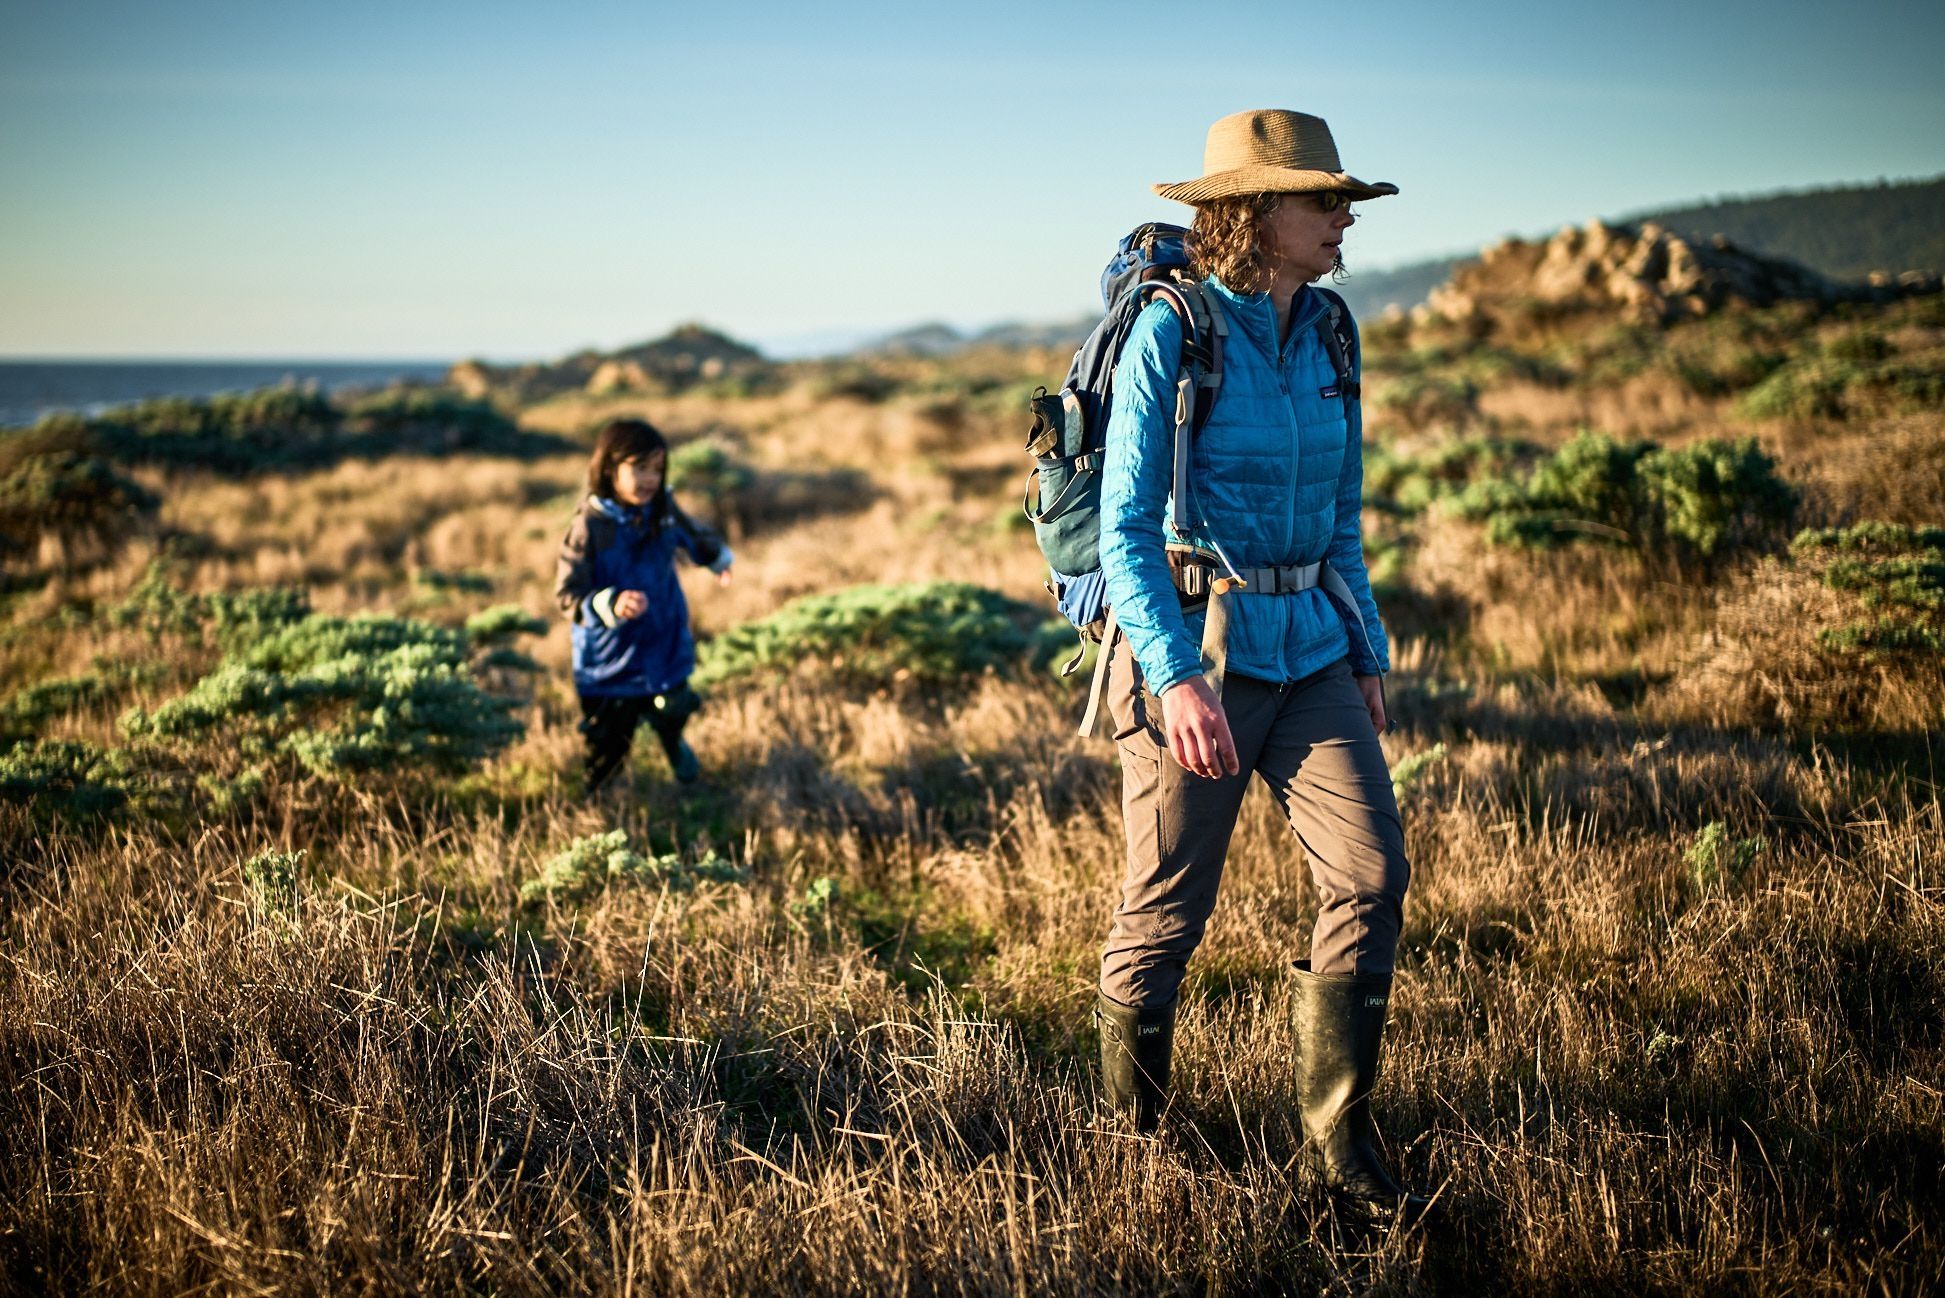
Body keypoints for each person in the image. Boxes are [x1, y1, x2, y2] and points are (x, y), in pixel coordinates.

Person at [1092, 108, 1427, 1215]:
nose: (1340, 219)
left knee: (1372, 875)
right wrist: (1177, 676)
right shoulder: (1173, 329)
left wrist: (1366, 647)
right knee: (1165, 913)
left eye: (1342, 201)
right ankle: (1132, 1145)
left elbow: (1341, 511)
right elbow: (1125, 527)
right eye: (1319, 199)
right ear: (1251, 210)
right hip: (1201, 656)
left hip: (1315, 652)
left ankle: (1339, 1144)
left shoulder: (1332, 329)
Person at [554, 417, 733, 794]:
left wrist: (717, 559)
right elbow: (568, 595)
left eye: (657, 469)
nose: (650, 479)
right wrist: (609, 604)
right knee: (608, 745)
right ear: (609, 469)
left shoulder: (662, 507)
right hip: (609, 661)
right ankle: (600, 802)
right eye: (639, 468)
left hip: (662, 641)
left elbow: (691, 533)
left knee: (675, 705)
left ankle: (672, 740)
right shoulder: (590, 525)